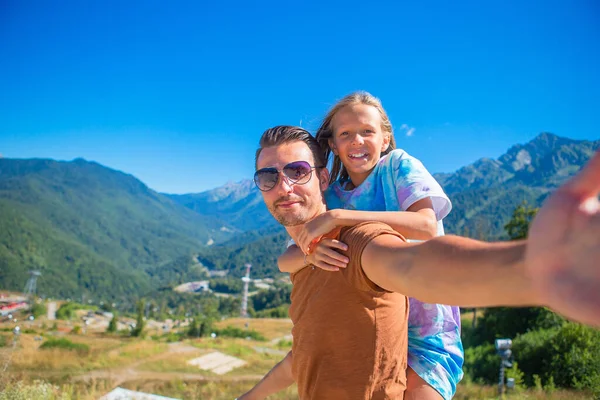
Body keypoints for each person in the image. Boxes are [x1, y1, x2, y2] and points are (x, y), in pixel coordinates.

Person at [238, 125, 600, 400]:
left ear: (322, 177)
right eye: (269, 176)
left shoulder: (357, 240)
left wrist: (536, 268)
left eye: (297, 171)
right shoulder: (308, 258)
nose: (283, 187)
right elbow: (304, 353)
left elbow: (417, 266)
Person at [278, 92, 462, 400]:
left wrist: (340, 217)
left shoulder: (398, 167)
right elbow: (285, 261)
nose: (356, 141)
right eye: (345, 134)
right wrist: (311, 254)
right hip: (369, 336)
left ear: (386, 137)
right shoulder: (331, 194)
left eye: (367, 131)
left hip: (426, 333)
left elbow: (427, 226)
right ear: (333, 144)